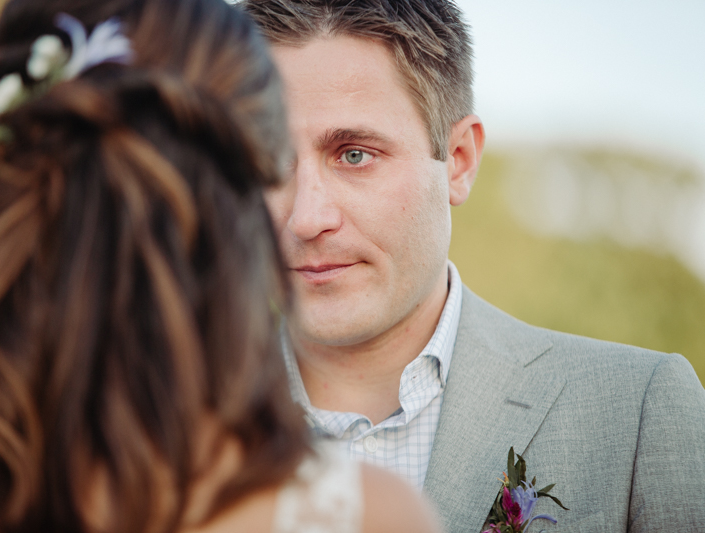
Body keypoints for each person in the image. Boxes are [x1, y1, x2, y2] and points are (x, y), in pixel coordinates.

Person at [0, 0, 442, 532]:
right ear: (228, 205)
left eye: (354, 154)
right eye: (277, 167)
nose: (305, 217)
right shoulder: (366, 515)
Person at [240, 0, 705, 531]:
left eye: (354, 154)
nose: (306, 217)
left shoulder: (635, 414)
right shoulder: (148, 424)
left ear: (458, 160)